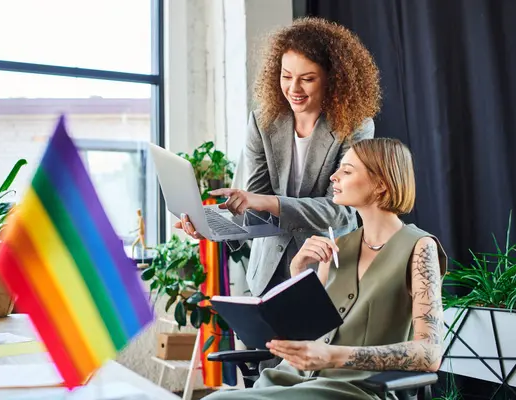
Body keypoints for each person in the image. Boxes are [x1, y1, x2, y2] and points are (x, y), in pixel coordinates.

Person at [204, 138, 448, 399]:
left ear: (380, 184)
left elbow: (430, 353)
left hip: (353, 389)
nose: (334, 176)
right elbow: (307, 332)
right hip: (289, 379)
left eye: (347, 170)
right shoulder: (338, 246)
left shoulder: (420, 247)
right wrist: (298, 273)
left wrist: (333, 356)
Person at [175, 17, 382, 297]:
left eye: (307, 79)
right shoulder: (262, 122)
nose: (293, 89)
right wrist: (210, 227)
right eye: (286, 76)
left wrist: (267, 202)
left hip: (326, 272)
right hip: (268, 273)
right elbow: (255, 205)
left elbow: (341, 211)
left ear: (333, 80)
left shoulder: (356, 127)